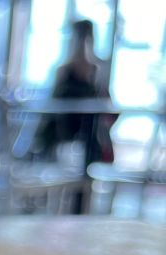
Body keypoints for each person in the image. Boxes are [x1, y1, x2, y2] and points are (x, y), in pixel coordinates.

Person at [39, 20, 115, 165]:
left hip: (89, 136)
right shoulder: (63, 70)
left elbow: (107, 106)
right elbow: (53, 107)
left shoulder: (98, 71)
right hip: (64, 132)